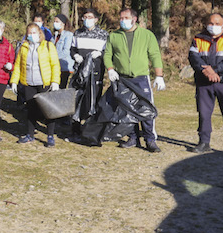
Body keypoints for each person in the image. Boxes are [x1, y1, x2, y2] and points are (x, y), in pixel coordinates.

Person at [103, 8, 165, 152]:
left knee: (145, 109)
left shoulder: (146, 35)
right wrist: (110, 69)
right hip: (122, 79)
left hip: (141, 78)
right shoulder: (114, 36)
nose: (122, 20)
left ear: (134, 19)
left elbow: (155, 55)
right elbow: (107, 54)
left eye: (125, 17)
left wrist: (159, 75)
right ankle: (132, 137)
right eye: (121, 18)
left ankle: (150, 139)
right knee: (126, 110)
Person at [188, 13, 223, 159]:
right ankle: (203, 142)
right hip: (204, 81)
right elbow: (193, 57)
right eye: (210, 23)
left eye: (217, 23)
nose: (213, 26)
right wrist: (205, 71)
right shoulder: (198, 38)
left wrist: (215, 71)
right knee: (204, 113)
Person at [10, 23, 61, 147]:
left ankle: (50, 136)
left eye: (34, 32)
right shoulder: (24, 47)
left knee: (48, 110)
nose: (32, 35)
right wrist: (14, 81)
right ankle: (30, 135)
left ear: (39, 33)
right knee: (31, 110)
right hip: (29, 83)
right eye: (29, 33)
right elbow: (18, 65)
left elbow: (55, 64)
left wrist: (55, 81)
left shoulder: (48, 46)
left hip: (45, 83)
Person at [69, 8, 109, 140]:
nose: (87, 19)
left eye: (90, 17)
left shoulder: (103, 35)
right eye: (85, 17)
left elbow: (108, 53)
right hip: (79, 73)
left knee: (92, 100)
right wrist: (75, 56)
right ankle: (75, 128)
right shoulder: (78, 33)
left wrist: (100, 54)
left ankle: (90, 129)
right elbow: (72, 48)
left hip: (95, 73)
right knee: (77, 99)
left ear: (96, 19)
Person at [53, 14, 74, 88]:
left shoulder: (68, 35)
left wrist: (54, 58)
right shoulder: (55, 35)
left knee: (61, 87)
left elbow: (66, 51)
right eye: (54, 21)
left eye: (57, 21)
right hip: (54, 65)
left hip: (64, 66)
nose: (55, 23)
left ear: (63, 23)